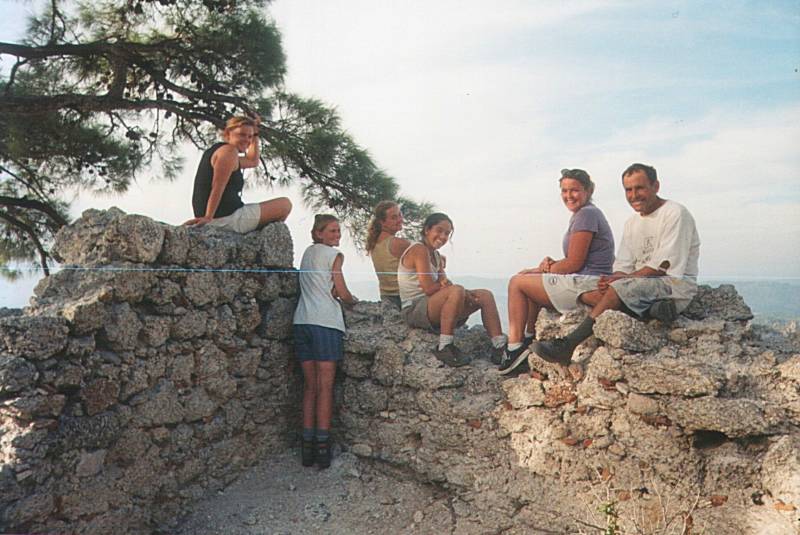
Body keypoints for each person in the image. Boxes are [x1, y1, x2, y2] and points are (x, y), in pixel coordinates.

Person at [531, 163, 700, 365]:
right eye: (628, 190)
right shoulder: (632, 223)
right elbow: (624, 264)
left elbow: (661, 267)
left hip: (671, 286)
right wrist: (612, 278)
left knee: (617, 290)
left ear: (655, 186)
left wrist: (619, 281)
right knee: (604, 290)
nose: (634, 195)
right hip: (641, 286)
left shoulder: (675, 213)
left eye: (640, 188)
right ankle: (652, 310)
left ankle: (568, 344)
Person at [499, 169, 615, 375]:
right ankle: (529, 337)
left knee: (517, 282)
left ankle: (514, 348)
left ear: (588, 190)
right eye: (564, 190)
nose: (569, 196)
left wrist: (542, 269)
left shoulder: (586, 214)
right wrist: (545, 269)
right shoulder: (586, 214)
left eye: (575, 190)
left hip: (586, 281)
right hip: (587, 279)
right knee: (531, 282)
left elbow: (573, 263)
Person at [397, 212, 507, 367]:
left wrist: (462, 293)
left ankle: (499, 347)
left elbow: (444, 284)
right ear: (427, 229)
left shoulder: (435, 255)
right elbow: (429, 288)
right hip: (414, 309)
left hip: (431, 306)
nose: (442, 236)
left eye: (447, 233)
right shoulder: (419, 250)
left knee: (484, 295)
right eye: (439, 230)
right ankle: (445, 346)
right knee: (457, 290)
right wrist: (452, 289)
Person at [292, 214, 358, 468]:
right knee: (326, 387)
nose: (337, 236)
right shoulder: (334, 256)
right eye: (332, 231)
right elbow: (339, 289)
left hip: (302, 321)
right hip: (325, 323)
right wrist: (351, 301)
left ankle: (306, 449)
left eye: (338, 231)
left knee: (310, 387)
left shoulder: (308, 253)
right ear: (319, 233)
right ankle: (322, 449)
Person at [184, 115, 292, 231]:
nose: (247, 140)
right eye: (242, 135)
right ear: (228, 134)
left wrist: (255, 134)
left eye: (249, 136)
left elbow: (252, 161)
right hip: (226, 218)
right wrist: (208, 217)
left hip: (222, 216)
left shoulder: (220, 151)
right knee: (285, 205)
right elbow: (217, 187)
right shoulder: (229, 152)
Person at [365, 201, 411, 309]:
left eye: (400, 215)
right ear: (382, 222)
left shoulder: (374, 243)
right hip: (404, 298)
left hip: (386, 298)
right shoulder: (397, 243)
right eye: (394, 217)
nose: (400, 219)